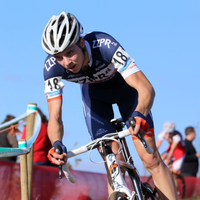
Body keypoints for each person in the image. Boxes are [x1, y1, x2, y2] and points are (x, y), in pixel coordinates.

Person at [41, 11, 177, 199]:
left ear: (81, 43)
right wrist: (56, 143)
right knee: (113, 165)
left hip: (127, 93)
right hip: (95, 100)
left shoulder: (104, 45)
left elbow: (146, 88)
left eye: (70, 52)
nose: (66, 62)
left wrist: (140, 113)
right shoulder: (51, 68)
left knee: (150, 159)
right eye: (59, 57)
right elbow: (55, 116)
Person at [157, 122, 185, 190]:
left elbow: (173, 149)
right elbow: (157, 146)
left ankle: (176, 192)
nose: (168, 134)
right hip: (170, 148)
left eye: (170, 133)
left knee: (174, 173)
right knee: (162, 156)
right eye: (167, 133)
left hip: (180, 151)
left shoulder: (177, 136)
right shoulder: (163, 134)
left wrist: (168, 159)